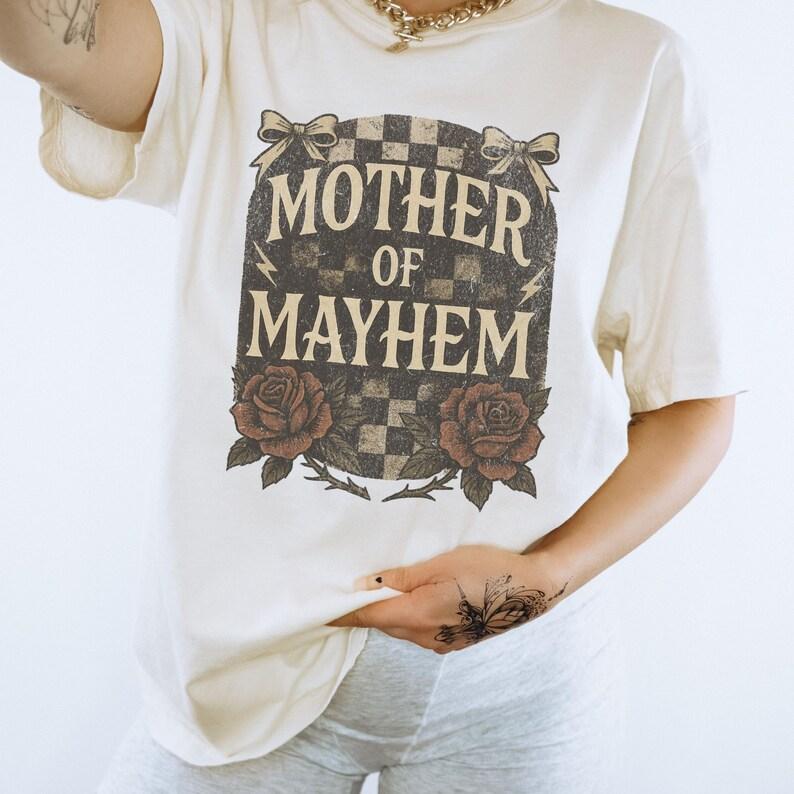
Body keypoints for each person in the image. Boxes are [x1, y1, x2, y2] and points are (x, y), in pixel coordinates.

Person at [1, 0, 748, 791]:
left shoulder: (635, 66)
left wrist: (543, 579)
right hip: (245, 678)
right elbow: (52, 35)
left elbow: (691, 402)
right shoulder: (235, 26)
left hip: (519, 685)